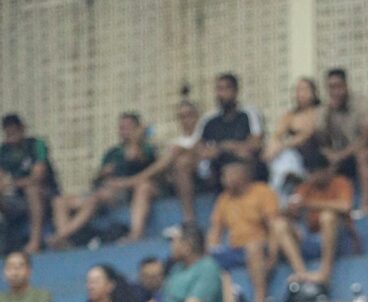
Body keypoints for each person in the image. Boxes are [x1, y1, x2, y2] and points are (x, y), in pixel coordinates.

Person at [50, 112, 157, 247]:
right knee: (59, 201)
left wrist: (136, 138)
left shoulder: (145, 147)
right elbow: (96, 179)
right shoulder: (112, 152)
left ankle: (60, 236)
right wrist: (103, 173)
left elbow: (135, 158)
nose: (124, 131)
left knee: (97, 197)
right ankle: (64, 242)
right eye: (121, 127)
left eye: (128, 127)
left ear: (137, 128)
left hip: (126, 191)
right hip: (103, 191)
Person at [174, 73, 264, 223]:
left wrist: (225, 147)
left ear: (235, 91)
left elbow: (255, 144)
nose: (221, 94)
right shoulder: (209, 119)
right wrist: (206, 152)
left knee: (239, 164)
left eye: (225, 89)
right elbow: (197, 146)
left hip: (241, 164)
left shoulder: (248, 114)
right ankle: (189, 219)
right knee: (182, 163)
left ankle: (240, 219)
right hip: (214, 166)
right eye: (218, 89)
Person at [272, 152, 355, 290]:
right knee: (279, 224)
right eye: (310, 172)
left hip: (340, 240)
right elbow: (292, 209)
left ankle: (325, 273)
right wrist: (290, 210)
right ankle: (301, 272)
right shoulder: (306, 187)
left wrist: (308, 204)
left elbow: (345, 206)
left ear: (327, 170)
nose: (313, 176)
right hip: (313, 239)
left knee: (327, 216)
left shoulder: (340, 182)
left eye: (316, 172)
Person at [206, 160, 280, 302]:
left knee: (253, 247)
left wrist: (273, 255)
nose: (223, 180)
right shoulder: (223, 199)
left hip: (260, 246)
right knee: (206, 259)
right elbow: (215, 230)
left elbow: (273, 227)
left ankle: (259, 301)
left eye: (226, 176)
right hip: (235, 250)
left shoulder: (262, 191)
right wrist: (210, 250)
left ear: (239, 175)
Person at [317, 68, 368, 213]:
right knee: (320, 163)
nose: (335, 91)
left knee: (362, 156)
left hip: (366, 150)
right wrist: (328, 116)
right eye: (331, 87)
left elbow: (366, 138)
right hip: (343, 154)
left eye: (338, 86)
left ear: (345, 86)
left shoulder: (361, 104)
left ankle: (366, 205)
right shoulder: (326, 109)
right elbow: (321, 139)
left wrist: (341, 155)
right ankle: (330, 208)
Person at [0, 113, 60, 254]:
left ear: (22, 129)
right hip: (16, 199)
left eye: (14, 132)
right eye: (8, 133)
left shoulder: (36, 144)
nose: (11, 137)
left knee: (31, 189)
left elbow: (38, 176)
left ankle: (35, 241)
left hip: (45, 194)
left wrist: (12, 183)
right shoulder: (3, 151)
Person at [265, 78, 322, 197]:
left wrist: (282, 146)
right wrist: (272, 148)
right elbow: (277, 135)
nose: (300, 94)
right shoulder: (290, 115)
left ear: (314, 92)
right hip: (291, 156)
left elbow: (307, 134)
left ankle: (277, 192)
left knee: (284, 156)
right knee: (280, 157)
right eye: (297, 90)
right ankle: (279, 191)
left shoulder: (320, 112)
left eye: (304, 89)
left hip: (313, 154)